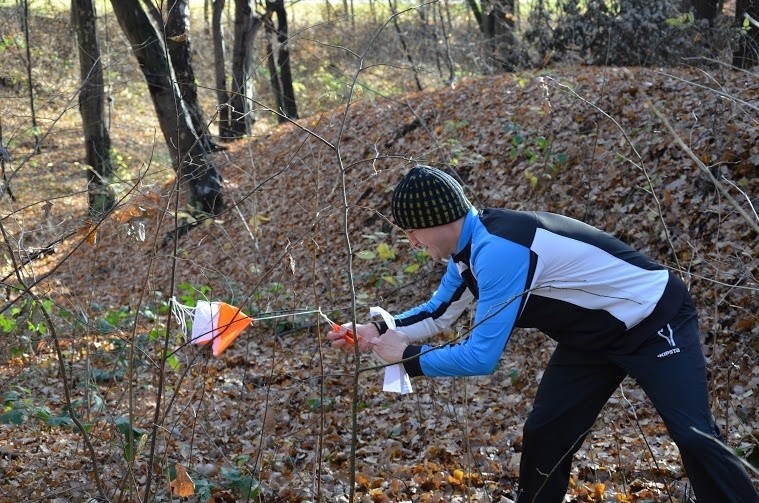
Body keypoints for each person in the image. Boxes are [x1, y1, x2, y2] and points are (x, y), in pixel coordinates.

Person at [328, 165, 759, 502]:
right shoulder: (469, 251)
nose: (410, 241)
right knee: (546, 434)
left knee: (693, 437)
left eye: (412, 230)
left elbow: (481, 357)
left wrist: (408, 359)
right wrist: (378, 330)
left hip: (654, 317)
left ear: (440, 220)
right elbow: (440, 312)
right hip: (593, 338)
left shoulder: (498, 252)